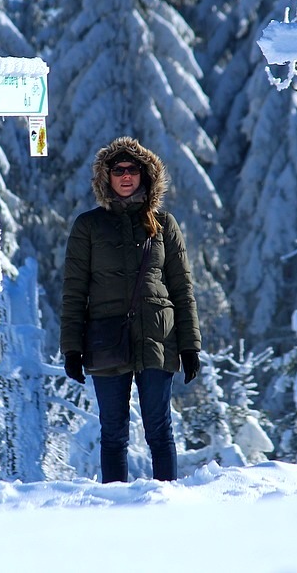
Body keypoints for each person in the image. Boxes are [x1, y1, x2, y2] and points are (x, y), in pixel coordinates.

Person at [59, 135, 202, 483]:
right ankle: (114, 506)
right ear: (105, 177)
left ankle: (167, 500)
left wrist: (190, 346)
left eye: (133, 169)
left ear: (146, 175)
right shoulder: (88, 226)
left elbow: (182, 289)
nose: (126, 176)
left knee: (159, 429)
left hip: (158, 337)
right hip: (106, 339)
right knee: (113, 433)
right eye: (118, 169)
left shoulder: (164, 225)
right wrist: (72, 348)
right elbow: (74, 292)